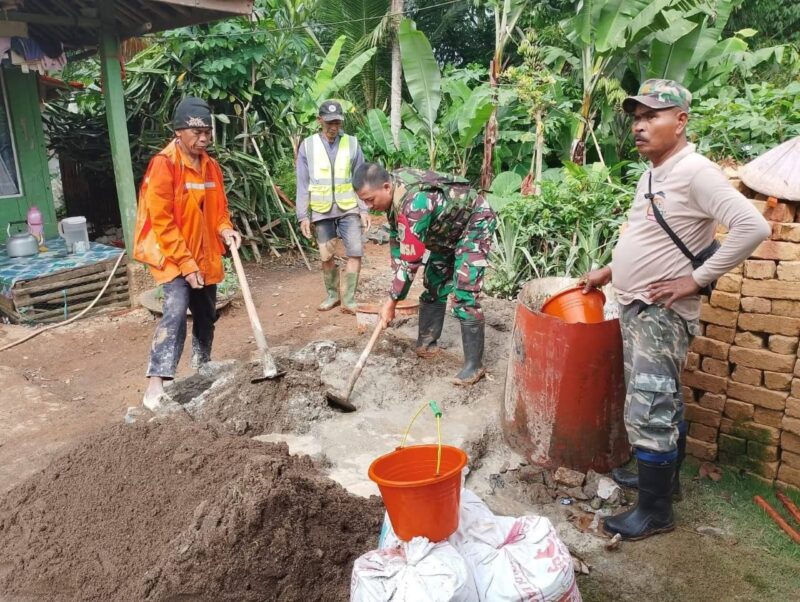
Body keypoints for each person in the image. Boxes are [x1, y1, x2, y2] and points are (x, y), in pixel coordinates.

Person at [581, 80, 770, 540]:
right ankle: (663, 486)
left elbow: (753, 226)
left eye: (652, 116)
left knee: (649, 407)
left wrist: (696, 279)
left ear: (681, 121)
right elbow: (646, 234)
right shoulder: (652, 172)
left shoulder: (695, 171)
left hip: (662, 313)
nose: (640, 126)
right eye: (636, 117)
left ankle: (655, 511)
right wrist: (610, 270)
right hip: (637, 305)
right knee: (658, 397)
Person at [134, 96, 242, 411]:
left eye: (207, 132)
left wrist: (226, 229)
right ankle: (156, 384)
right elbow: (162, 221)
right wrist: (185, 263)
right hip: (172, 255)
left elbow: (220, 211)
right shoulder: (164, 165)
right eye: (197, 132)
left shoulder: (212, 167)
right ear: (178, 132)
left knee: (207, 312)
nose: (204, 138)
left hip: (205, 251)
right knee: (176, 309)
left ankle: (202, 365)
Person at [352, 163, 497, 385]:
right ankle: (427, 343)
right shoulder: (393, 198)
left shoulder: (414, 202)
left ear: (386, 187)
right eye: (364, 202)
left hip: (473, 224)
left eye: (370, 200)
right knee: (434, 282)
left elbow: (411, 263)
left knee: (464, 293)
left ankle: (473, 366)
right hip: (445, 229)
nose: (369, 206)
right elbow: (398, 245)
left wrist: (392, 301)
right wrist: (395, 283)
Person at [296, 100, 370, 314]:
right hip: (322, 210)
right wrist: (303, 215)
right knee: (326, 256)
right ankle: (332, 295)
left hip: (349, 209)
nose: (333, 127)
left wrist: (364, 209)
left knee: (355, 252)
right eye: (329, 122)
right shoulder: (307, 146)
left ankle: (349, 299)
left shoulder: (353, 144)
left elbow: (361, 178)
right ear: (319, 120)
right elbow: (302, 183)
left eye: (337, 122)